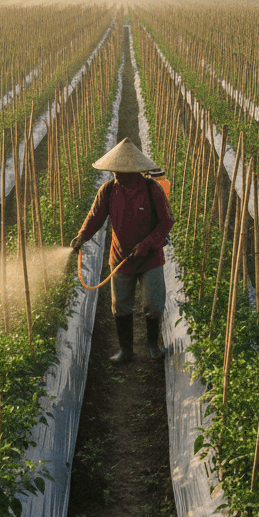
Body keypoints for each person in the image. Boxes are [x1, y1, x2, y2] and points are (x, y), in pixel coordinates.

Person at [70, 138, 174, 362]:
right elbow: (95, 218)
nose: (117, 174)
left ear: (135, 171)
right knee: (120, 306)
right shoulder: (108, 191)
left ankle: (153, 346)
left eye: (122, 171)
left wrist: (146, 244)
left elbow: (166, 221)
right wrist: (82, 236)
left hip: (150, 258)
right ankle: (126, 351)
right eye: (115, 170)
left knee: (153, 305)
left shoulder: (152, 189)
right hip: (121, 258)